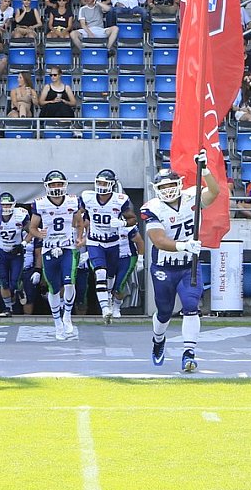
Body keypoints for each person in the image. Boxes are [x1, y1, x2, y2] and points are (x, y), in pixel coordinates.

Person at [139, 152, 217, 371]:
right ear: (156, 190)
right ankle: (158, 340)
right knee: (164, 311)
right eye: (162, 187)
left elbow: (214, 192)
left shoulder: (192, 196)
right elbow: (158, 240)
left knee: (191, 306)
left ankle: (189, 353)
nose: (167, 190)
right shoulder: (152, 208)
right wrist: (184, 245)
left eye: (171, 185)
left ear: (179, 184)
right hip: (164, 266)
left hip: (188, 265)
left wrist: (206, 170)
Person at [81, 169, 139, 323]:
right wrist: (79, 233)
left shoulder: (120, 200)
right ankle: (105, 308)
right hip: (95, 242)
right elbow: (77, 215)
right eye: (99, 182)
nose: (101, 186)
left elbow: (133, 219)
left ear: (112, 184)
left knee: (110, 277)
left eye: (105, 183)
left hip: (113, 243)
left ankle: (109, 299)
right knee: (100, 272)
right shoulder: (87, 197)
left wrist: (123, 223)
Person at [31, 171, 84, 340]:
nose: (56, 187)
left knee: (69, 283)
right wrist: (40, 234)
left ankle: (67, 316)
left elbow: (80, 222)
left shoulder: (72, 201)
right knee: (53, 288)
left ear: (65, 185)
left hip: (67, 247)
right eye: (53, 184)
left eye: (59, 184)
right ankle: (57, 323)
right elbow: (32, 228)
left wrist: (79, 238)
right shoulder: (40, 204)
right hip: (49, 249)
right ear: (46, 186)